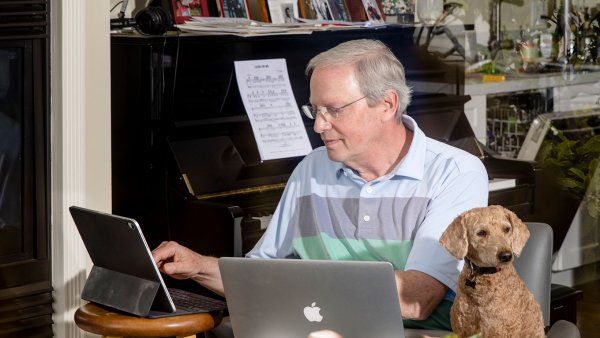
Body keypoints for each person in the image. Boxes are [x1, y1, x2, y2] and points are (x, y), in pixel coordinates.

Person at [152, 39, 488, 331]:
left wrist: (298, 288)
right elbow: (257, 276)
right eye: (315, 110)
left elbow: (415, 301)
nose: (319, 125)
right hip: (322, 327)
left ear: (387, 104)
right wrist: (197, 265)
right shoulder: (312, 168)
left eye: (334, 110)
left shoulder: (456, 172)